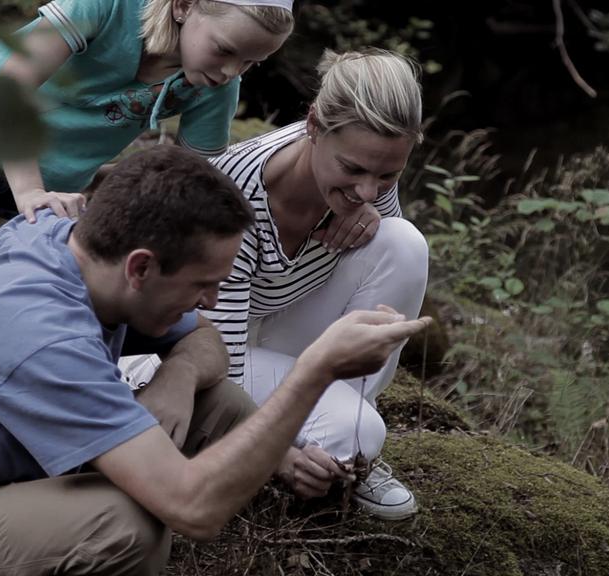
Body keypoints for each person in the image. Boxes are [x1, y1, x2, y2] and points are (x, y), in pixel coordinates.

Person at [0, 146, 431, 576]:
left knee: (216, 401)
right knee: (119, 527)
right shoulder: (36, 338)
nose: (213, 302)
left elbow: (208, 345)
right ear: (141, 266)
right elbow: (192, 509)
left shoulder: (73, 239)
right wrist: (313, 370)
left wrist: (178, 375)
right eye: (204, 284)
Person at [0, 0, 294, 409]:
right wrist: (28, 191)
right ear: (185, 5)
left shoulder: (212, 87)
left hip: (54, 184)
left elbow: (193, 181)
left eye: (252, 63)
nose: (233, 71)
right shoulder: (108, 6)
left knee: (12, 328)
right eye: (226, 50)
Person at [120, 48, 429, 520]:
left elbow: (382, 244)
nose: (369, 191)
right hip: (192, 351)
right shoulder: (238, 196)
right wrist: (278, 456)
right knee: (358, 432)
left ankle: (336, 440)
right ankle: (326, 443)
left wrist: (369, 205)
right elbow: (217, 359)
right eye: (354, 170)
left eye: (388, 174)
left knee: (403, 242)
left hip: (264, 328)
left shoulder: (368, 176)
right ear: (313, 127)